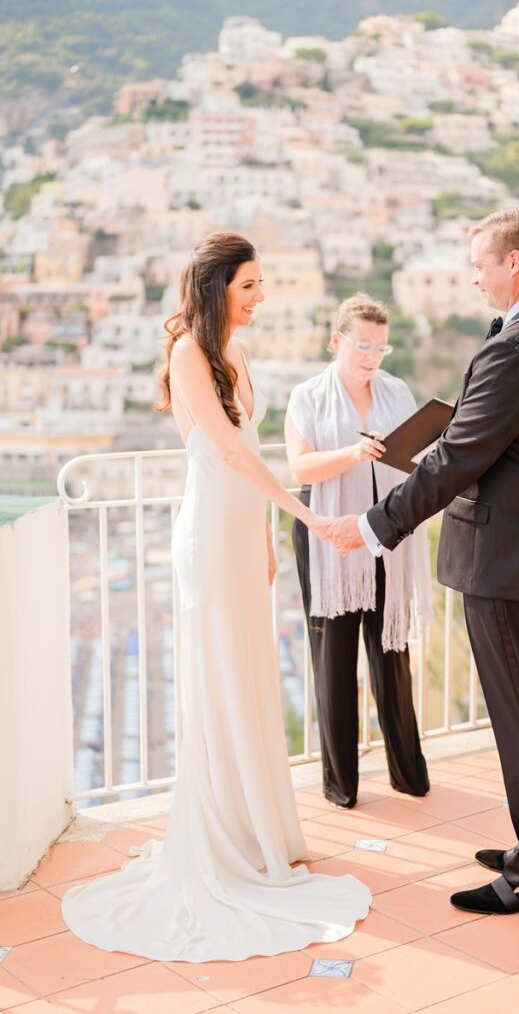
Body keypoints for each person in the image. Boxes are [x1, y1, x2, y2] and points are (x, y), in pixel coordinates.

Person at [61, 232, 371, 962]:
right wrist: (302, 515)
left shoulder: (238, 351)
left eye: (261, 285)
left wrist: (264, 528)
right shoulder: (189, 354)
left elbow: (247, 456)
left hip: (240, 525)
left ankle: (259, 827)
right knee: (221, 673)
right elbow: (229, 451)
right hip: (207, 528)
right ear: (216, 288)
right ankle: (224, 834)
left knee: (251, 671)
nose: (260, 298)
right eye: (249, 287)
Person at [327, 209, 519, 916]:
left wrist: (374, 525)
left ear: (514, 261)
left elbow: (455, 461)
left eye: (480, 262)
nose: (473, 276)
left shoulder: (517, 348)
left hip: (507, 559)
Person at [285, 293, 432, 809]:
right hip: (327, 532)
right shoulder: (307, 396)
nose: (371, 357)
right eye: (361, 346)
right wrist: (352, 453)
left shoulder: (398, 391)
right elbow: (299, 469)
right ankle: (340, 784)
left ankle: (408, 773)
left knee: (392, 654)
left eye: (379, 347)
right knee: (335, 658)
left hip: (386, 530)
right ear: (337, 341)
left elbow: (418, 460)